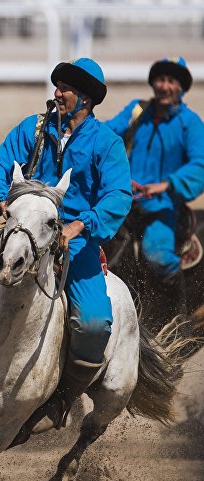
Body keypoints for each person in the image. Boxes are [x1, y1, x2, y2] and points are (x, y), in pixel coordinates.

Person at [0, 58, 131, 444]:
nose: (58, 93)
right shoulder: (31, 129)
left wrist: (78, 225)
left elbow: (118, 195)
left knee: (94, 324)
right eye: (58, 86)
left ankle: (59, 401)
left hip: (76, 247)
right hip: (22, 235)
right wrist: (2, 202)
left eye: (66, 88)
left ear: (86, 98)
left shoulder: (107, 143)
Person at [104, 56, 204, 318]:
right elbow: (107, 134)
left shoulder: (190, 123)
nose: (164, 86)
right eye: (160, 79)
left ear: (181, 87)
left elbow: (200, 164)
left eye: (172, 81)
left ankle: (179, 318)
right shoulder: (137, 111)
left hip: (163, 206)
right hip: (124, 199)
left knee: (157, 255)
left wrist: (166, 185)